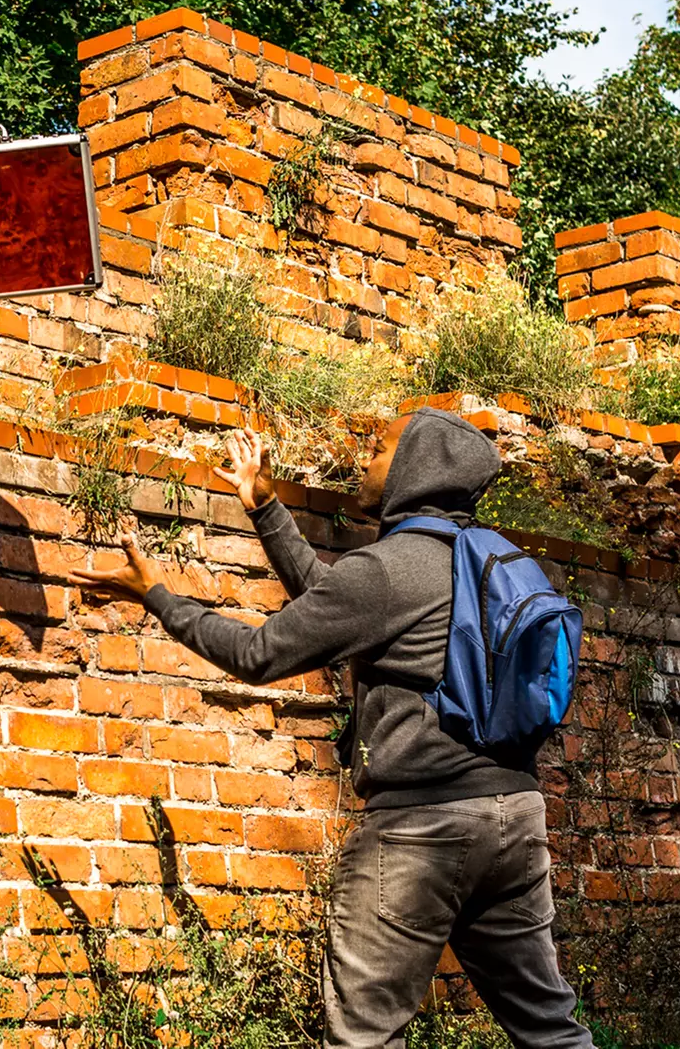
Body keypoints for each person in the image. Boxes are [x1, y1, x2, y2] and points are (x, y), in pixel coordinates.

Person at [75, 412, 595, 1049]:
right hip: (514, 816)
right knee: (550, 1031)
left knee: (364, 1039)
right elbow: (336, 605)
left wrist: (158, 595)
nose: (365, 458)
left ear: (416, 467)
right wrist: (267, 508)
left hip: (421, 830)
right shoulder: (484, 562)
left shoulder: (388, 569)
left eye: (380, 448)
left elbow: (260, 654)